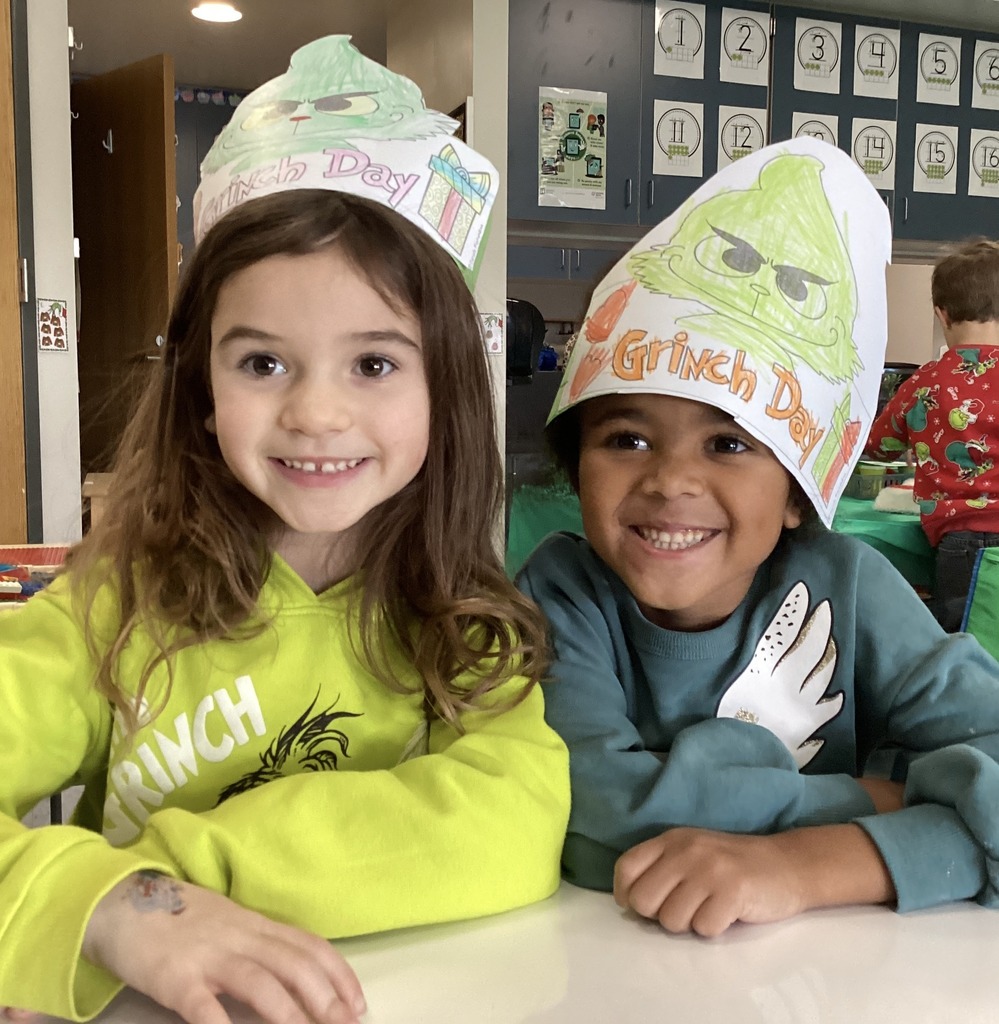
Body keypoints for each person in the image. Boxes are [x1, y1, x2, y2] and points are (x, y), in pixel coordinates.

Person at [0, 46, 570, 1023]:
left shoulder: (464, 625)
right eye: (263, 362)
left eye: (375, 365)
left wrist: (181, 866)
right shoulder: (114, 607)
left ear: (447, 389)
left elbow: (512, 819)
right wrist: (103, 906)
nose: (314, 413)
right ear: (201, 389)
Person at [517, 137, 999, 938]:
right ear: (575, 466)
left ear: (797, 494)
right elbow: (594, 815)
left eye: (729, 443)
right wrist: (878, 800)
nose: (670, 481)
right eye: (626, 439)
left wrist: (810, 866)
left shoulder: (851, 583)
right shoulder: (563, 595)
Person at [867, 239, 999, 631]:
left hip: (961, 544)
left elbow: (879, 445)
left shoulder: (924, 383)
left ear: (942, 314)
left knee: (961, 651)